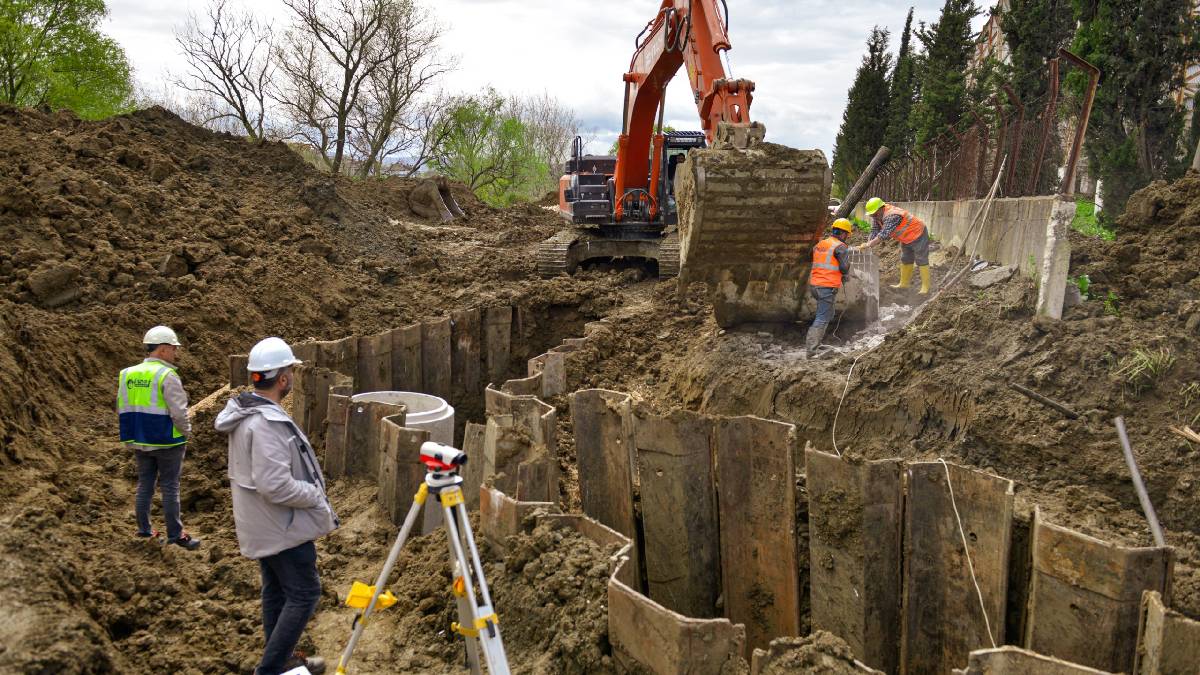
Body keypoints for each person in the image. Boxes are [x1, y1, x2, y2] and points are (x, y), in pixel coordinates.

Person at [215, 337, 337, 675]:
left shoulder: (247, 411)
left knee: (277, 590)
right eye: (290, 372)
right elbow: (275, 485)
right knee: (305, 592)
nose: (293, 377)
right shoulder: (265, 423)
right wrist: (314, 494)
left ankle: (282, 662)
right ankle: (270, 670)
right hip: (281, 525)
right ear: (281, 379)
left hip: (263, 522)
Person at [117, 325, 201, 550]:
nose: (176, 353)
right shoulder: (167, 375)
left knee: (145, 485)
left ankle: (144, 530)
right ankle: (176, 535)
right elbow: (179, 412)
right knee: (170, 486)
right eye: (173, 348)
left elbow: (123, 406)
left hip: (139, 438)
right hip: (166, 440)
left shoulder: (127, 374)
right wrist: (187, 432)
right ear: (163, 349)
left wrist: (131, 435)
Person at [857, 196, 931, 294]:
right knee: (906, 258)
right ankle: (904, 284)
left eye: (874, 214)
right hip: (906, 238)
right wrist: (868, 242)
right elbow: (875, 230)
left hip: (918, 233)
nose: (873, 216)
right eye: (871, 215)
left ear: (880, 209)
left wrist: (869, 245)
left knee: (921, 259)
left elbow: (883, 235)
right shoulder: (878, 216)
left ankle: (926, 287)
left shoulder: (892, 216)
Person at [806, 218, 855, 357]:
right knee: (822, 317)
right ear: (844, 233)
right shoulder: (840, 246)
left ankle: (816, 344)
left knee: (829, 313)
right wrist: (846, 275)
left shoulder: (821, 244)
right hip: (826, 287)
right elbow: (844, 267)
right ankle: (811, 350)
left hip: (815, 285)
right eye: (847, 235)